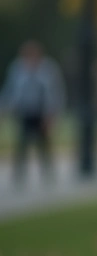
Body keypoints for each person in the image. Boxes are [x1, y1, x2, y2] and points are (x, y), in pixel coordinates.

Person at [0, 40, 65, 186]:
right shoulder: (17, 68)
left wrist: (52, 115)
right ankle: (19, 175)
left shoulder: (48, 69)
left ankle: (48, 173)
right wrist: (4, 108)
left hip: (42, 112)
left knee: (44, 145)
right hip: (24, 111)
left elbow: (55, 93)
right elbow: (10, 90)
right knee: (22, 143)